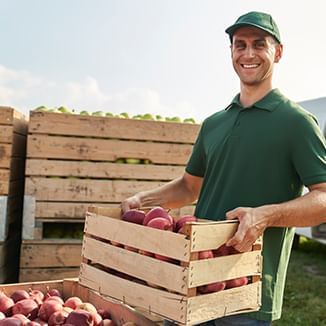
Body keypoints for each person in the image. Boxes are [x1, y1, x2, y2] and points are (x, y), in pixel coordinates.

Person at [121, 11, 326, 326]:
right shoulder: (214, 123)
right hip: (191, 281)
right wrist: (145, 201)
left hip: (246, 291)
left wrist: (265, 215)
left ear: (278, 52)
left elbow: (323, 198)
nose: (248, 53)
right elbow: (190, 187)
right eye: (239, 45)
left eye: (259, 44)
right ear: (231, 52)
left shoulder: (296, 123)